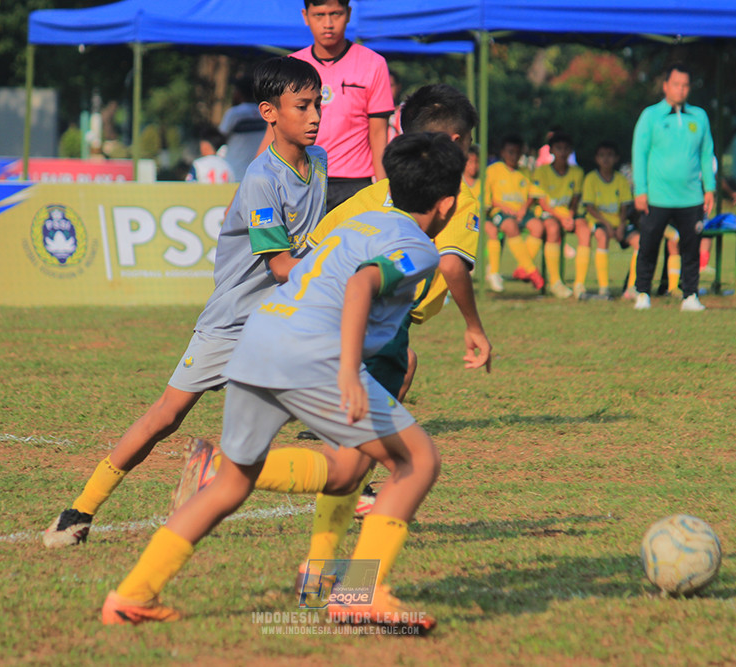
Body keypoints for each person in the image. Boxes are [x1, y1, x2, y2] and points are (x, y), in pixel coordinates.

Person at [100, 132, 466, 632]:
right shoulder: (419, 249)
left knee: (246, 481)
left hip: (258, 341)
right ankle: (363, 594)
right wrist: (346, 375)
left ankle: (132, 595)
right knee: (417, 459)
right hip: (311, 355)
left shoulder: (361, 222)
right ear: (447, 204)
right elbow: (362, 284)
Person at [173, 84, 492, 592]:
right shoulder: (453, 200)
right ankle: (359, 590)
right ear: (458, 143)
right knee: (404, 463)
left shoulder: (368, 196)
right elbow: (449, 263)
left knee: (349, 468)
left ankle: (318, 570)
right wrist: (474, 327)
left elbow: (311, 256)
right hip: (363, 338)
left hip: (296, 327)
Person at [41, 56, 327, 548]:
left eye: (319, 103)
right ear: (269, 112)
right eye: (302, 106)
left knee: (333, 400)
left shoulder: (318, 162)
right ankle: (79, 510)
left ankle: (354, 495)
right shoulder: (262, 179)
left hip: (277, 322)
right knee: (166, 416)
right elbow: (281, 265)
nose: (316, 115)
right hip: (232, 322)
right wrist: (340, 269)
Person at [285, 0, 395, 211]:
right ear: (305, 15)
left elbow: (379, 135)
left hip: (354, 185)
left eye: (336, 14)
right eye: (319, 15)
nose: (328, 23)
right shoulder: (292, 66)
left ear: (349, 13)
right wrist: (244, 190)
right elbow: (275, 132)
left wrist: (385, 192)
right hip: (302, 180)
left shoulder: (373, 64)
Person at [631, 62, 715, 312]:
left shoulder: (699, 116)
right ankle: (642, 292)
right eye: (676, 84)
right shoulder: (650, 116)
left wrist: (709, 188)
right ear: (666, 86)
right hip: (657, 196)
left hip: (691, 197)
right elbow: (639, 154)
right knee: (649, 245)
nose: (680, 90)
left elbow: (706, 153)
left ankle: (690, 296)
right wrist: (640, 190)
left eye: (685, 85)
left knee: (691, 247)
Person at [483, 135, 545, 293]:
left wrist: (525, 207)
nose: (514, 156)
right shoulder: (493, 170)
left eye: (518, 153)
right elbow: (488, 199)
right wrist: (503, 207)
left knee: (538, 227)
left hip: (521, 211)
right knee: (510, 227)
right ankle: (531, 270)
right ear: (503, 152)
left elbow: (533, 193)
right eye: (510, 152)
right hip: (500, 212)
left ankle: (522, 268)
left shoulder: (525, 171)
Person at [532, 132, 584, 298]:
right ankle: (555, 282)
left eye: (566, 149)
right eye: (558, 148)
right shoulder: (542, 172)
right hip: (548, 214)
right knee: (552, 228)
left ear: (571, 151)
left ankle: (579, 284)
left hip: (566, 215)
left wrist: (570, 215)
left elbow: (575, 199)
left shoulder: (577, 172)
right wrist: (562, 218)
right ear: (552, 151)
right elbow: (542, 203)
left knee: (584, 229)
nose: (562, 152)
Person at [581, 141, 631, 298]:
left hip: (618, 224)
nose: (606, 159)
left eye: (610, 155)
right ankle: (604, 287)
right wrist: (606, 224)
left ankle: (632, 288)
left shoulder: (621, 180)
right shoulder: (591, 179)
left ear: (616, 158)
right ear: (596, 159)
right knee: (602, 236)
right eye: (602, 155)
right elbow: (590, 207)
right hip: (599, 222)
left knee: (640, 241)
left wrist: (622, 225)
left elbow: (625, 206)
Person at [218, 73, 267, 181]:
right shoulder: (263, 112)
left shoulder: (234, 113)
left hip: (234, 171)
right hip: (258, 173)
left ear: (238, 93)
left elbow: (219, 138)